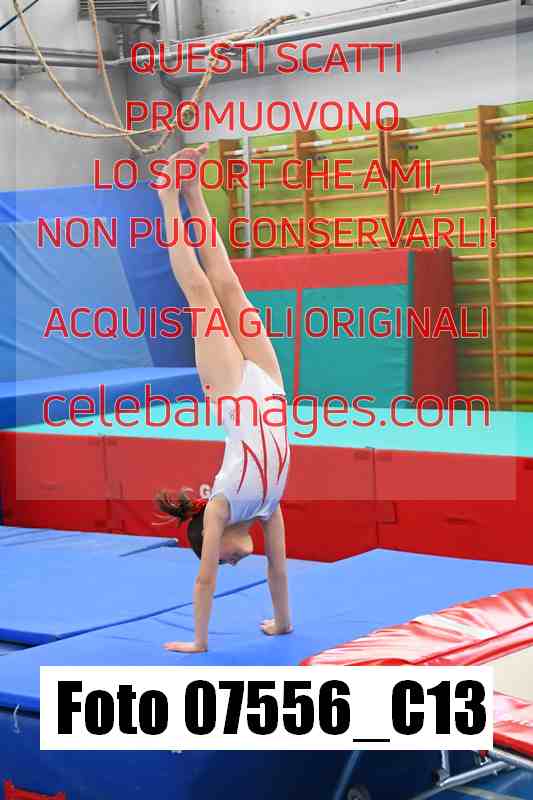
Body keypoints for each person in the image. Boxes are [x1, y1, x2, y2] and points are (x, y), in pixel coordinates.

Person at [155, 144, 292, 653]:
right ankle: (194, 190)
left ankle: (167, 195)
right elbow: (279, 569)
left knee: (201, 292)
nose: (233, 563)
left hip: (232, 391)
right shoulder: (270, 508)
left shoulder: (219, 506)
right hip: (271, 385)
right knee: (230, 285)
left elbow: (204, 581)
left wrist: (198, 641)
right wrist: (282, 623)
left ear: (209, 544)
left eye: (223, 559)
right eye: (230, 561)